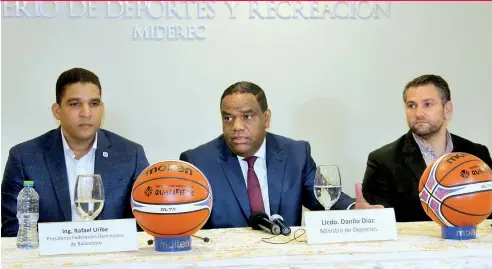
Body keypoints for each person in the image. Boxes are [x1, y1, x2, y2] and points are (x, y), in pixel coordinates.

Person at [180, 81, 382, 229]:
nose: (237, 127)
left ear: (266, 118)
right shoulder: (198, 162)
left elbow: (321, 197)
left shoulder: (295, 153)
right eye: (228, 118)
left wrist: (353, 210)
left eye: (247, 116)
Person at [1, 67, 150, 237]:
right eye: (75, 104)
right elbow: (13, 232)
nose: (86, 113)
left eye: (94, 104)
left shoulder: (130, 155)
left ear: (102, 108)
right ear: (57, 111)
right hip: (48, 262)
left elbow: (145, 226)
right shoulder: (24, 158)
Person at [362, 74, 492, 222]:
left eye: (428, 104)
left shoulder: (476, 155)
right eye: (411, 105)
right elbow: (379, 221)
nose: (418, 113)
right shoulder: (382, 160)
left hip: (472, 243)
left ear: (447, 110)